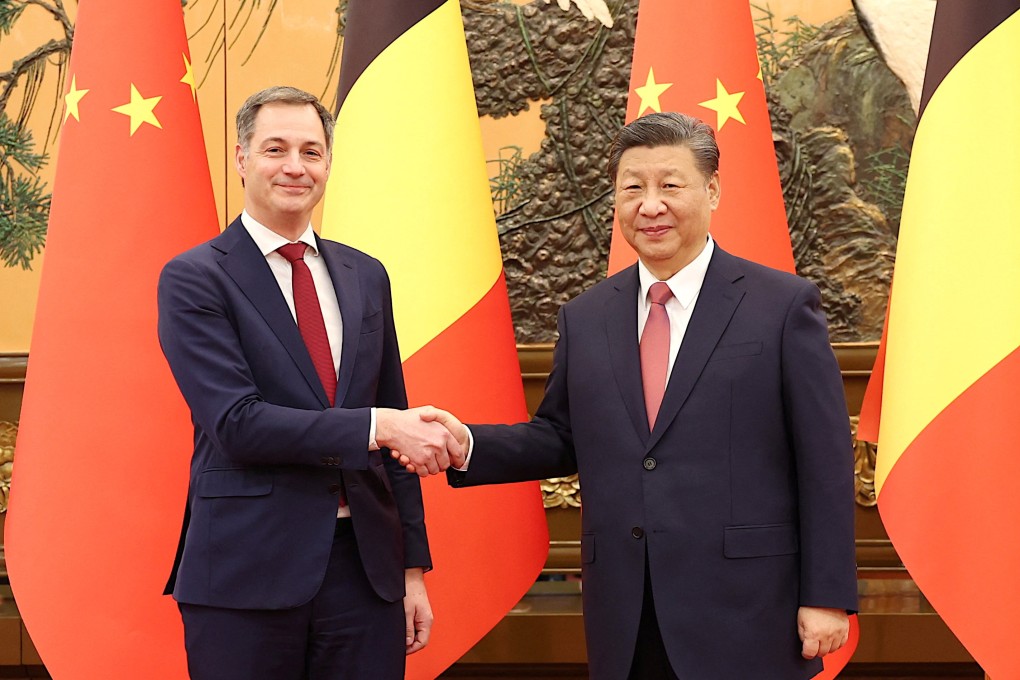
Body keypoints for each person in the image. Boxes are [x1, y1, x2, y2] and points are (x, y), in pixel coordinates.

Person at [417, 112, 858, 679]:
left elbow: (824, 460)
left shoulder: (782, 306)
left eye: (670, 185)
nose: (651, 205)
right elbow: (562, 436)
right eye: (633, 188)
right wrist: (467, 444)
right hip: (627, 612)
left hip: (748, 610)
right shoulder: (587, 316)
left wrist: (826, 595)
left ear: (713, 190)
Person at [157, 86, 459, 680]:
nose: (295, 167)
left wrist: (411, 570)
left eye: (312, 151)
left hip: (366, 573)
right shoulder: (195, 278)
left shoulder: (365, 275)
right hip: (247, 572)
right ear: (242, 159)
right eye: (276, 149)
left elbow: (395, 422)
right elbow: (237, 425)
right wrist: (377, 426)